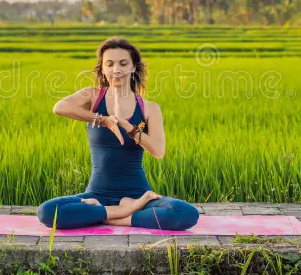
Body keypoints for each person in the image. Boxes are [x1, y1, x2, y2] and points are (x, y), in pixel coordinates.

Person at [36, 36, 200, 231]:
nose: (116, 69)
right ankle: (122, 212)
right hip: (96, 195)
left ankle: (112, 216)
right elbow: (60, 107)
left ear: (133, 67)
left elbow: (158, 151)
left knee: (186, 214)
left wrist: (127, 125)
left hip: (138, 194)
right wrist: (103, 120)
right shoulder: (93, 96)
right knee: (47, 212)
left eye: (123, 63)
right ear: (103, 69)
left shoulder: (149, 108)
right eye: (110, 64)